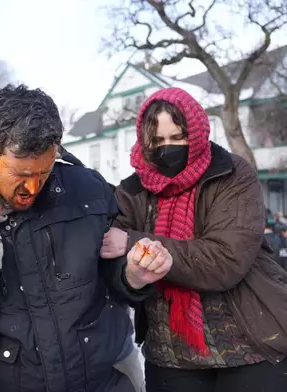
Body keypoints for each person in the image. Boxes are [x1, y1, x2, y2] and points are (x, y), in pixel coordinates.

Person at [0, 84, 173, 392]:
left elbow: (112, 275)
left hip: (101, 381)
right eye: (19, 175)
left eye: (42, 175)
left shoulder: (88, 190)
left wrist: (133, 276)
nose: (32, 189)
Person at [102, 87, 287, 392]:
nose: (168, 148)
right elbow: (113, 267)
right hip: (172, 356)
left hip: (251, 343)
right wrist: (131, 276)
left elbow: (226, 259)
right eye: (158, 141)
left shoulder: (232, 174)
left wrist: (135, 241)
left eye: (177, 137)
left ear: (197, 132)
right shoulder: (132, 191)